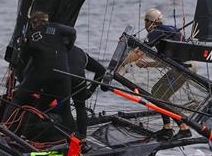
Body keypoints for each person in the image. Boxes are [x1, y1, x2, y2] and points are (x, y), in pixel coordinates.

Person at [123, 8, 191, 140]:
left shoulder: (155, 32)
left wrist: (122, 64)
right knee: (159, 94)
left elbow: (139, 52)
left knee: (158, 94)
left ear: (150, 22)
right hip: (185, 66)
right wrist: (149, 64)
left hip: (183, 68)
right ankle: (168, 128)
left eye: (145, 21)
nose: (144, 24)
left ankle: (183, 128)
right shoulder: (169, 29)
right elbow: (170, 60)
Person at [10, 11, 75, 134]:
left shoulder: (30, 36)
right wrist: (68, 48)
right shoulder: (56, 28)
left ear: (33, 24)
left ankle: (5, 130)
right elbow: (72, 32)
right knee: (65, 108)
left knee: (18, 99)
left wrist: (21, 80)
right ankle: (76, 141)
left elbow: (22, 62)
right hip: (62, 76)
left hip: (41, 75)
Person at [62, 25, 107, 140]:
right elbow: (101, 70)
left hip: (63, 81)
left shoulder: (55, 50)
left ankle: (65, 136)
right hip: (79, 81)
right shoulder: (81, 52)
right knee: (80, 107)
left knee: (64, 107)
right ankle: (82, 139)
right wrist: (91, 90)